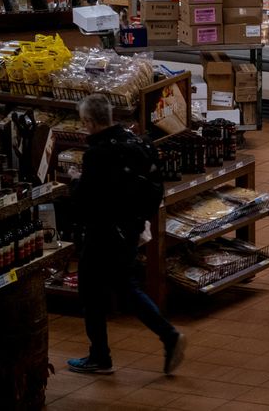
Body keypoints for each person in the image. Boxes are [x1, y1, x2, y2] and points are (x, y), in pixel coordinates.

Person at [66, 94, 186, 375]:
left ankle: (101, 356)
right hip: (131, 228)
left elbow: (86, 200)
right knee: (125, 286)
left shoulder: (97, 154)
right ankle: (166, 336)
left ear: (88, 122)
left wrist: (75, 184)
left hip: (103, 233)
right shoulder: (139, 142)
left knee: (92, 292)